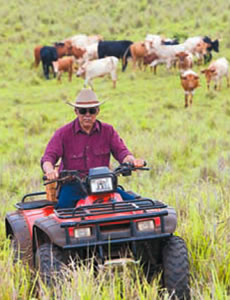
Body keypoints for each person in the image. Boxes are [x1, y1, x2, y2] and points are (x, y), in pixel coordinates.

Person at [41, 88, 145, 208]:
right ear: (76, 111)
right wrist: (49, 171)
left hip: (104, 185)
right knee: (63, 218)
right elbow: (49, 157)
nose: (87, 115)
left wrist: (132, 162)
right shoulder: (63, 133)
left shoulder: (108, 131)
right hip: (73, 186)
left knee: (139, 207)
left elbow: (122, 152)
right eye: (83, 111)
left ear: (98, 111)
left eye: (91, 111)